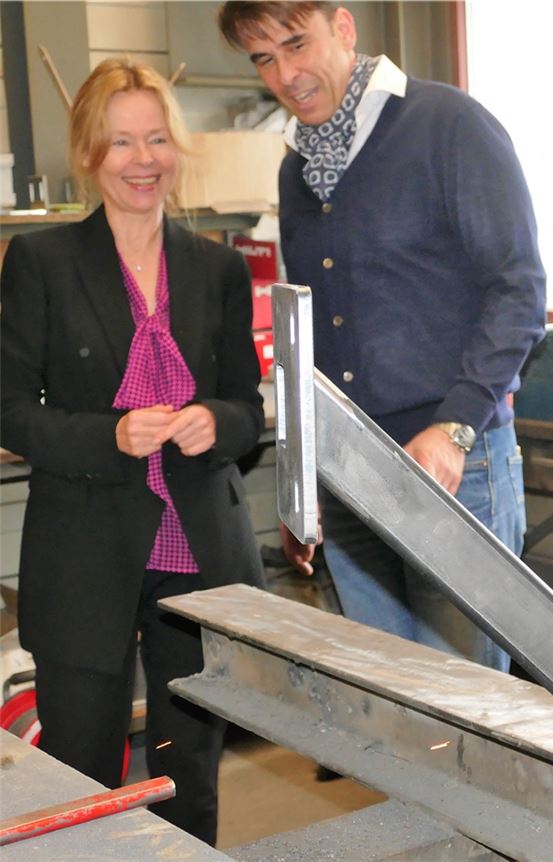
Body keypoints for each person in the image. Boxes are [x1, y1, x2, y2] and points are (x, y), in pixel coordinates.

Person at [217, 2, 546, 673]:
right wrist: (300, 480)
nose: (285, 73)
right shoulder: (298, 168)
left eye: (296, 44)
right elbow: (308, 333)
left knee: (473, 703)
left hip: (456, 464)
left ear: (344, 28)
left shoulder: (448, 127)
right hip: (349, 474)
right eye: (264, 59)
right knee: (392, 695)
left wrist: (454, 426)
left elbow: (519, 290)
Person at [0, 58, 265, 844]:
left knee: (190, 777)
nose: (142, 159)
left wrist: (217, 419)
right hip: (83, 559)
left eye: (156, 140)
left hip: (198, 561)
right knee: (79, 778)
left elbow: (247, 409)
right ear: (89, 154)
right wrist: (107, 435)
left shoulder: (217, 267)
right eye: (121, 143)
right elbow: (9, 410)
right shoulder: (42, 265)